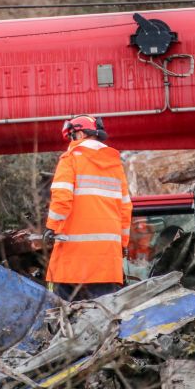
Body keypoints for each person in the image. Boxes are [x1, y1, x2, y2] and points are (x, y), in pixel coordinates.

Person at [43, 115, 133, 301]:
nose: (70, 141)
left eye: (72, 136)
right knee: (104, 314)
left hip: (73, 261)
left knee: (67, 314)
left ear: (81, 134)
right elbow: (125, 209)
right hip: (107, 261)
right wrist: (122, 244)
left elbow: (61, 199)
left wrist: (51, 228)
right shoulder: (115, 165)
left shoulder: (70, 159)